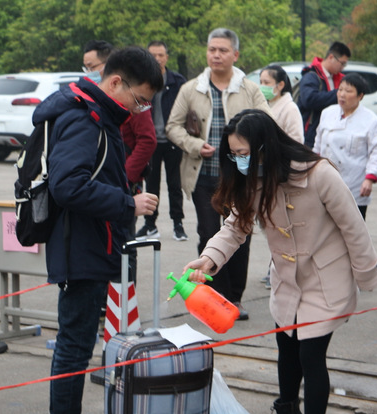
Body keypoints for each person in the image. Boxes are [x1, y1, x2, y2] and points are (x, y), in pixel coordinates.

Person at [182, 110, 377, 414]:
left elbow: (353, 226)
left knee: (310, 355)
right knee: (286, 347)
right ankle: (288, 413)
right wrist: (208, 260)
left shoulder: (319, 174)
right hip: (287, 280)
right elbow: (235, 227)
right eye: (234, 155)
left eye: (244, 153)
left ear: (266, 147)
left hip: (325, 278)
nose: (239, 161)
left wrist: (367, 275)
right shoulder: (254, 179)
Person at [38, 46, 162, 414]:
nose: (139, 109)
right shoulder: (83, 118)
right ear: (115, 82)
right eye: (139, 99)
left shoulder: (99, 114)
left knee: (74, 345)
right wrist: (127, 203)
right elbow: (67, 186)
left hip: (92, 244)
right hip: (82, 248)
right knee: (74, 348)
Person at [166, 28, 272, 321]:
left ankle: (234, 298)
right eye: (212, 49)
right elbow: (172, 126)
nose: (216, 55)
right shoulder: (191, 88)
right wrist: (194, 145)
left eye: (223, 50)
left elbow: (267, 122)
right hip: (203, 175)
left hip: (240, 177)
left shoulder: (248, 89)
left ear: (235, 54)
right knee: (208, 233)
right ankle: (214, 296)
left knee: (240, 232)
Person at [82, 40, 156, 281]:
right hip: (101, 185)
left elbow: (147, 141)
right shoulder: (90, 100)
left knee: (124, 244)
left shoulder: (133, 101)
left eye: (92, 67)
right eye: (85, 67)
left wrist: (124, 178)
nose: (88, 73)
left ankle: (125, 297)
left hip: (124, 184)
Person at [314, 73, 377, 220]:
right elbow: (318, 146)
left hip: (354, 184)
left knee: (352, 229)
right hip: (326, 182)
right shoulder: (327, 113)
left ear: (360, 96)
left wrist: (370, 178)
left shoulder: (370, 120)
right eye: (340, 89)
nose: (342, 94)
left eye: (348, 91)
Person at [136, 40, 188, 241]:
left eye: (160, 55)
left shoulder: (177, 81)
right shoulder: (140, 80)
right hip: (150, 142)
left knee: (175, 184)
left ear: (167, 57)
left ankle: (178, 224)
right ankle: (150, 225)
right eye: (153, 55)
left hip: (173, 140)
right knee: (151, 185)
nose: (157, 59)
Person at [297, 41, 350, 147]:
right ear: (331, 57)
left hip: (330, 136)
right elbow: (309, 100)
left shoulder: (339, 78)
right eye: (342, 63)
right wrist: (338, 94)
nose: (343, 67)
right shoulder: (311, 76)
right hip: (310, 137)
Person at [259, 64, 303, 143]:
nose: (262, 86)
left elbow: (297, 141)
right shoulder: (261, 106)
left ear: (280, 85)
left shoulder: (290, 109)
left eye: (266, 83)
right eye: (261, 82)